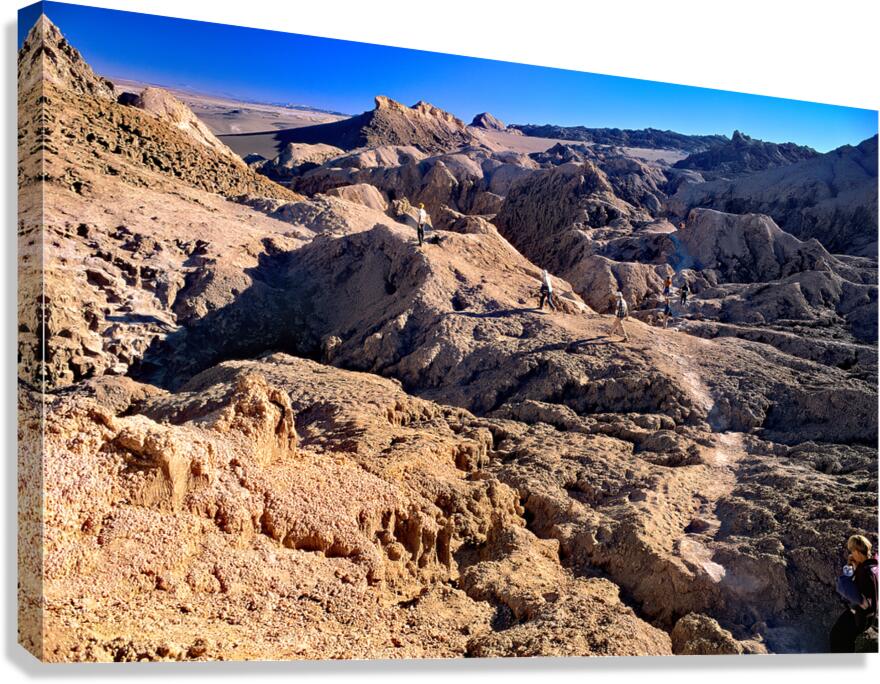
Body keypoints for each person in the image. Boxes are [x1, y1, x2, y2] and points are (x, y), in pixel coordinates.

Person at [830, 534, 878, 652]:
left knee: (837, 637)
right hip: (870, 616)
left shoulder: (864, 572)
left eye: (851, 551)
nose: (851, 554)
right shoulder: (873, 565)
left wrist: (861, 601)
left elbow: (845, 584)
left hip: (860, 616)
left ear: (856, 551)